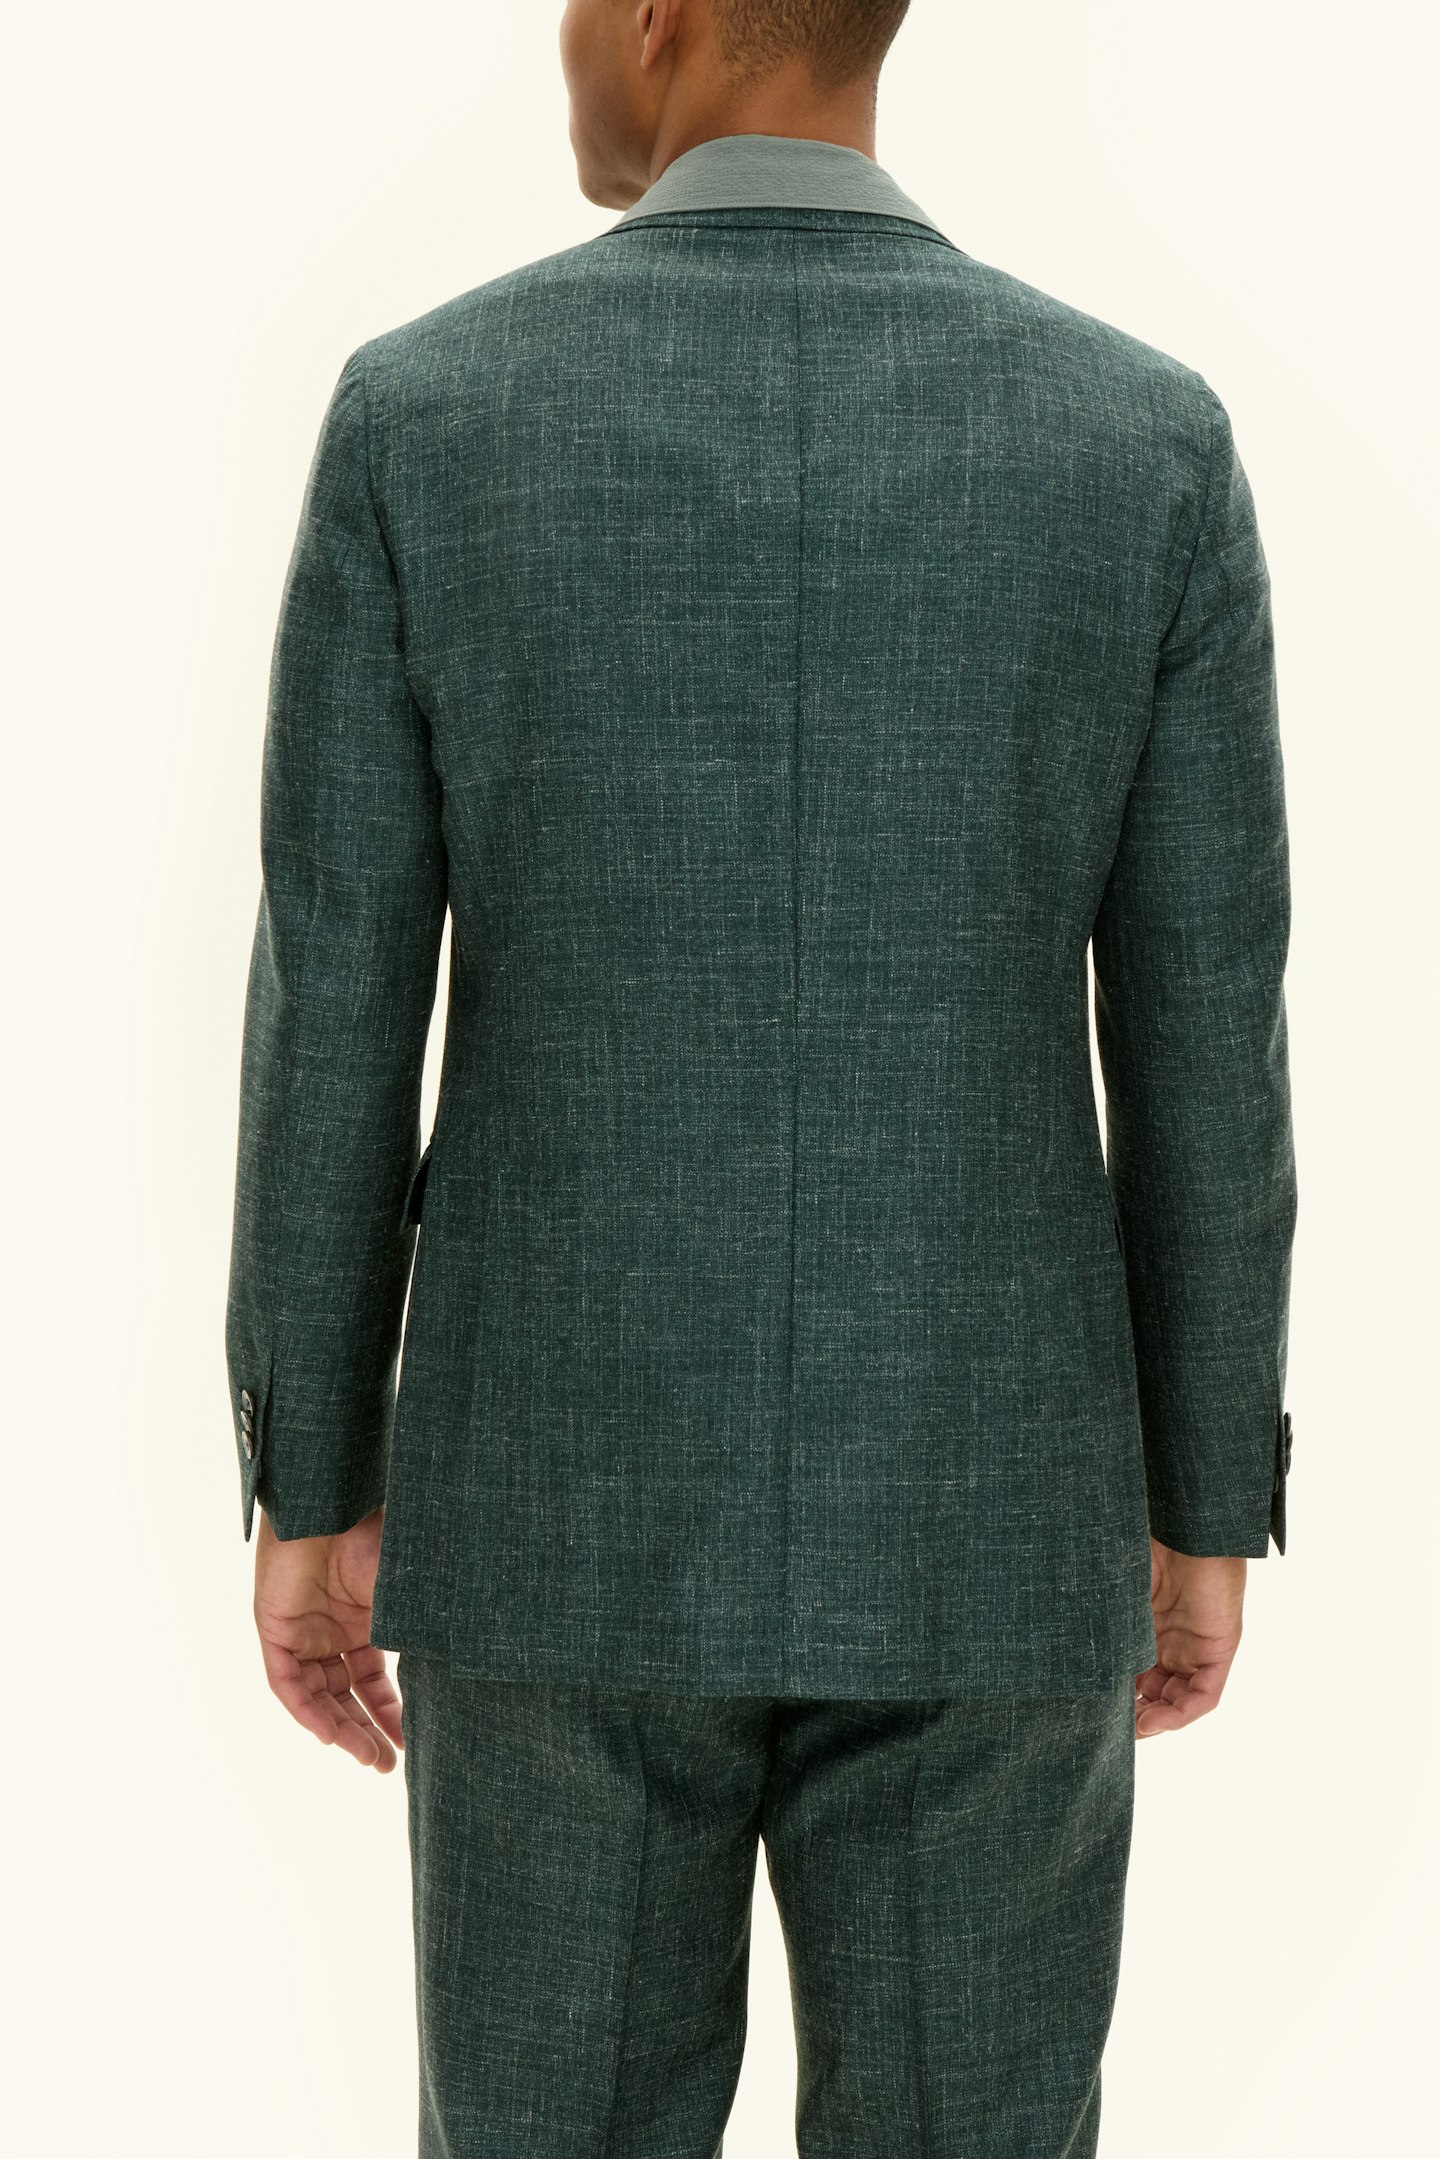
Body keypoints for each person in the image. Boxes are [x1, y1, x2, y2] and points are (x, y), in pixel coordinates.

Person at [224, 1, 1298, 2151]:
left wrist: (311, 1477)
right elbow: (1207, 1028)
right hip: (994, 1514)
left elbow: (337, 996)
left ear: (659, 17)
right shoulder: (1144, 444)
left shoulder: (426, 419)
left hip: (550, 1516)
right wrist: (1201, 1503)